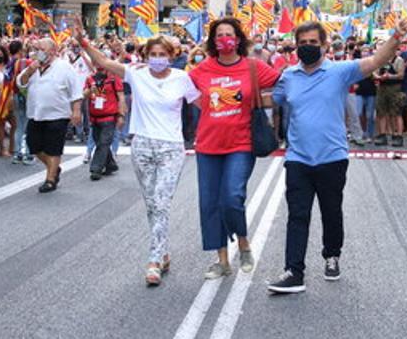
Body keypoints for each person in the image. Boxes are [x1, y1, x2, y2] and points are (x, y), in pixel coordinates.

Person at [266, 17, 407, 294]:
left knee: (331, 211)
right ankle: (293, 272)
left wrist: (396, 37)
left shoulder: (340, 71)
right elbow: (270, 100)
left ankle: (332, 255)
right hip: (298, 157)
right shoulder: (288, 77)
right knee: (297, 214)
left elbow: (375, 61)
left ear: (323, 45)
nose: (307, 47)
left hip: (332, 157)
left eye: (313, 42)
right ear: (295, 46)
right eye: (302, 43)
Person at [81, 31, 200, 285]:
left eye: (163, 55)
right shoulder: (136, 74)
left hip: (171, 147)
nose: (158, 59)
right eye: (153, 54)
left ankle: (154, 260)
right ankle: (163, 251)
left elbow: (203, 105)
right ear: (146, 56)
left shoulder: (182, 78)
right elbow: (102, 61)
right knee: (151, 204)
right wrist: (82, 40)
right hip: (142, 146)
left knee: (161, 202)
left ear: (171, 56)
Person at [189, 17, 281, 280]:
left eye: (229, 34)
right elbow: (182, 91)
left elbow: (284, 85)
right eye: (219, 35)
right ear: (213, 41)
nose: (224, 39)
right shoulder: (202, 70)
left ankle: (243, 243)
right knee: (210, 203)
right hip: (208, 145)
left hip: (241, 144)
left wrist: (261, 101)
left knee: (232, 197)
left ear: (238, 39)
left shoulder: (253, 67)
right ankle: (221, 261)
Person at [17, 38, 83, 193]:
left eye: (42, 49)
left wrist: (76, 110)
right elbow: (20, 83)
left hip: (57, 114)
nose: (38, 52)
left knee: (54, 148)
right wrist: (30, 70)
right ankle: (54, 168)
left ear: (53, 51)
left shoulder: (64, 67)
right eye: (36, 48)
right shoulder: (32, 66)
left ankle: (50, 179)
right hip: (35, 113)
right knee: (34, 146)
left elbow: (76, 91)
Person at [84, 62, 125, 181]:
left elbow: (121, 97)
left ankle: (96, 169)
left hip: (109, 117)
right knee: (99, 142)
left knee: (103, 142)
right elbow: (84, 95)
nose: (100, 71)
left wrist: (121, 115)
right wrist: (90, 90)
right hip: (94, 117)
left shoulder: (114, 78)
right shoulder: (89, 78)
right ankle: (111, 165)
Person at [373, 43, 406, 147]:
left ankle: (398, 136)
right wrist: (378, 77)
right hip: (382, 88)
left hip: (394, 88)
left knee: (396, 113)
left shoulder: (399, 60)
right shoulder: (381, 59)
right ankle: (382, 135)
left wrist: (390, 76)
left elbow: (401, 75)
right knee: (381, 112)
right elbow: (374, 71)